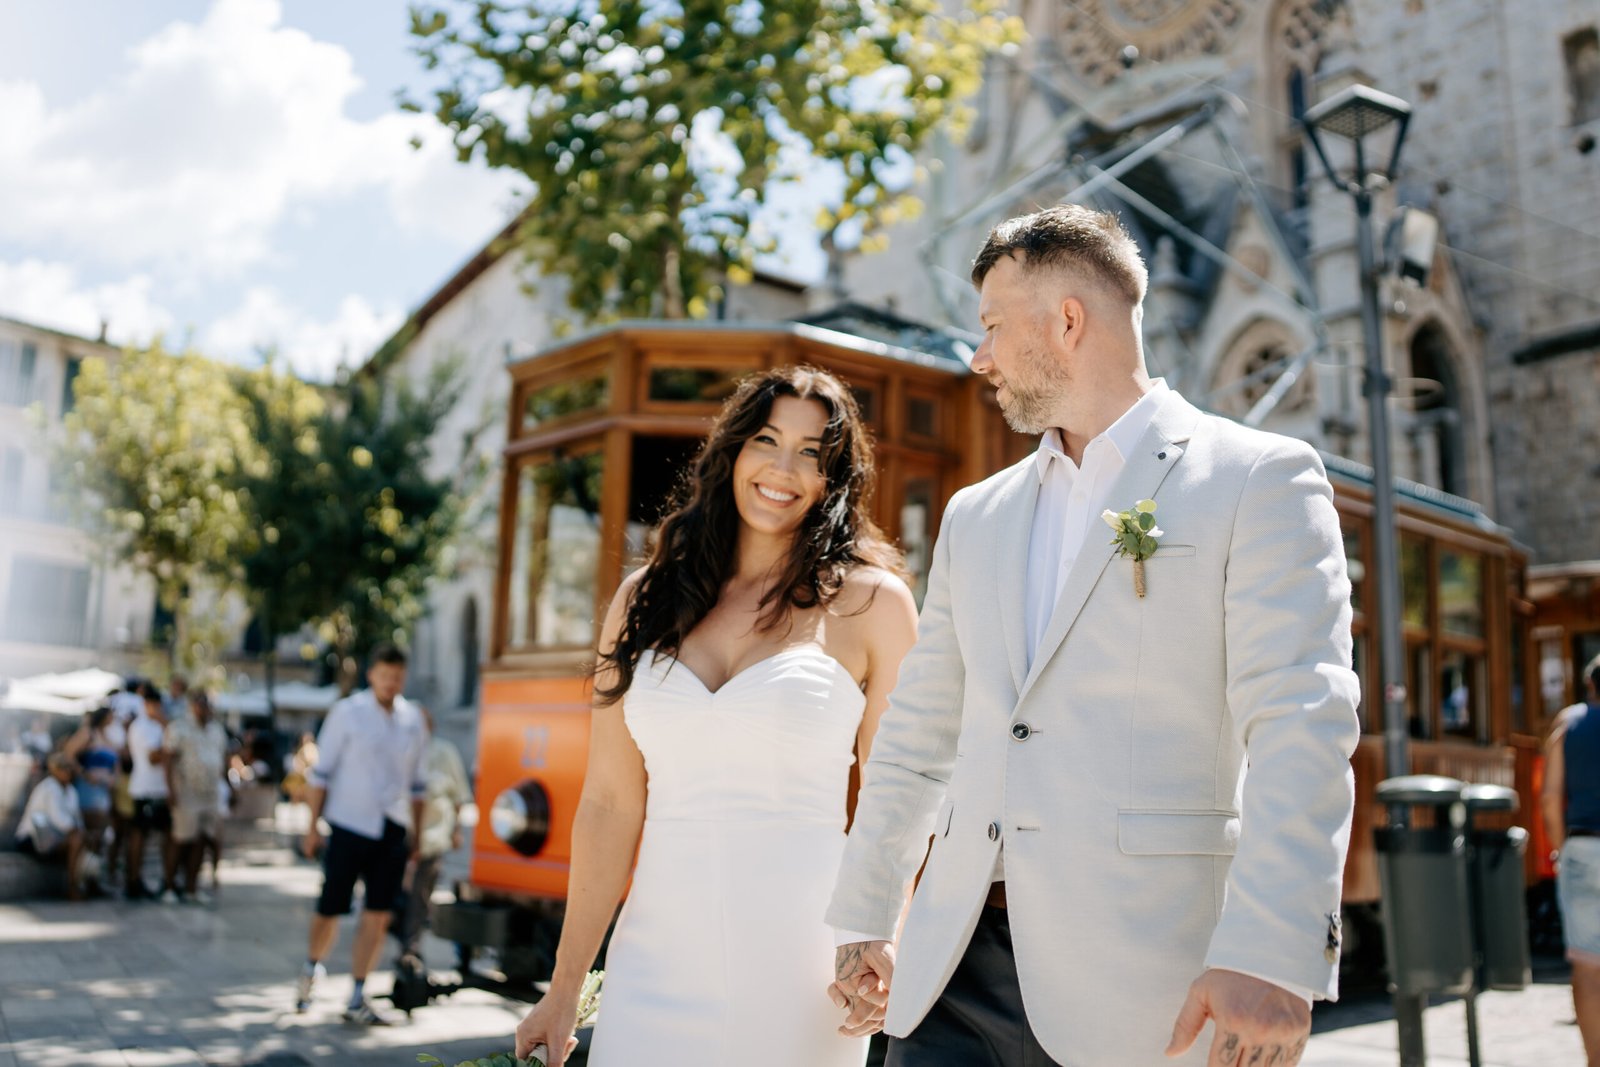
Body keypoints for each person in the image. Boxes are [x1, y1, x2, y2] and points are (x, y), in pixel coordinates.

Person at [825, 205, 1361, 1067]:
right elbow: (919, 735)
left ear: (1066, 321)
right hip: (948, 977)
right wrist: (866, 913)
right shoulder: (976, 514)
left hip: (1143, 989)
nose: (980, 356)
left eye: (993, 327)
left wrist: (1273, 949)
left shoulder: (1259, 478)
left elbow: (1304, 719)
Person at [512, 366, 919, 1067]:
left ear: (833, 479)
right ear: (731, 451)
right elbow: (609, 804)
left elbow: (903, 795)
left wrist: (885, 932)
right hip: (653, 962)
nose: (782, 468)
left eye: (811, 452)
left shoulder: (873, 604)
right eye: (766, 439)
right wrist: (563, 988)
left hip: (802, 967)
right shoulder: (643, 598)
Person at [295, 643, 428, 1025]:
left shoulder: (413, 719)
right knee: (331, 906)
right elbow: (320, 775)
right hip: (349, 823)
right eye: (385, 675)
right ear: (372, 674)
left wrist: (416, 835)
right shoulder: (347, 712)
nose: (391, 683)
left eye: (398, 676)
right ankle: (311, 967)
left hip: (392, 828)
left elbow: (419, 785)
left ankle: (357, 993)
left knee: (378, 913)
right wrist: (312, 827)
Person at [1541, 652, 1600, 1066]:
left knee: (1587, 965)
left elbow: (1548, 798)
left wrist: (1562, 850)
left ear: (1590, 686)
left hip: (1582, 846)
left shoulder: (1567, 724)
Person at [398, 705, 472, 962]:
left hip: (432, 837)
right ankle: (404, 938)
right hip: (401, 837)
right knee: (399, 895)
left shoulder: (444, 752)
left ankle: (411, 947)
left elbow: (459, 795)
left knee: (420, 894)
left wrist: (456, 830)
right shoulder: (400, 750)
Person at [166, 688, 229, 903]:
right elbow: (168, 759)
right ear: (192, 705)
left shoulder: (217, 730)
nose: (204, 708)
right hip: (186, 792)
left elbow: (223, 759)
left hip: (210, 792)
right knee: (181, 839)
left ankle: (192, 887)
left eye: (207, 704)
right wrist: (171, 790)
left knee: (202, 839)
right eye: (200, 703)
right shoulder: (179, 728)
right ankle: (170, 887)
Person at [125, 681, 178, 902]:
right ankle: (134, 881)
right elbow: (154, 757)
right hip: (145, 789)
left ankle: (167, 882)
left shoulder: (159, 726)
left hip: (160, 789)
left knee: (167, 835)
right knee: (140, 836)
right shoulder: (141, 727)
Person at [62, 704, 121, 880]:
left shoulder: (107, 735)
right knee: (92, 831)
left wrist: (113, 778)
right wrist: (85, 773)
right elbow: (68, 754)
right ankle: (81, 877)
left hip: (104, 790)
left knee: (100, 834)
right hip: (89, 788)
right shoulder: (88, 733)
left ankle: (92, 876)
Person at [16, 753, 86, 900]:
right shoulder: (48, 788)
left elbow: (76, 819)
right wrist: (78, 831)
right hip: (32, 839)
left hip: (53, 838)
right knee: (76, 840)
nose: (69, 772)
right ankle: (72, 888)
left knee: (86, 839)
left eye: (70, 768)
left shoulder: (71, 791)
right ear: (55, 770)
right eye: (65, 768)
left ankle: (89, 884)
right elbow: (60, 821)